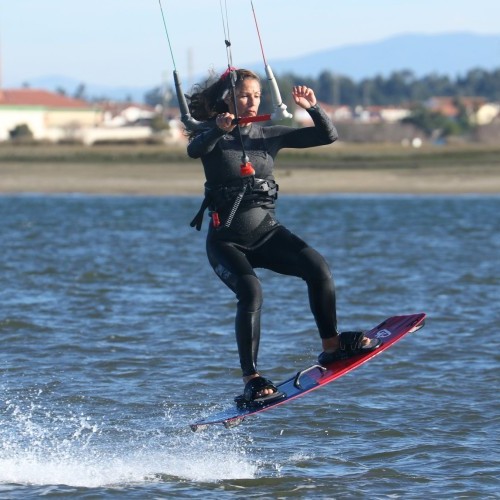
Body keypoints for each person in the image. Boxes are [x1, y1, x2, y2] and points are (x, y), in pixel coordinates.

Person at [186, 68, 380, 407]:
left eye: (257, 95)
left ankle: (332, 346)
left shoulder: (269, 134)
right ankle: (252, 379)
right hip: (226, 242)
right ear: (227, 99)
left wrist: (313, 108)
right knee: (251, 292)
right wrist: (219, 129)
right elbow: (195, 149)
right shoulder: (211, 135)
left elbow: (327, 135)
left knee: (317, 267)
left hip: (265, 233)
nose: (252, 101)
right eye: (245, 95)